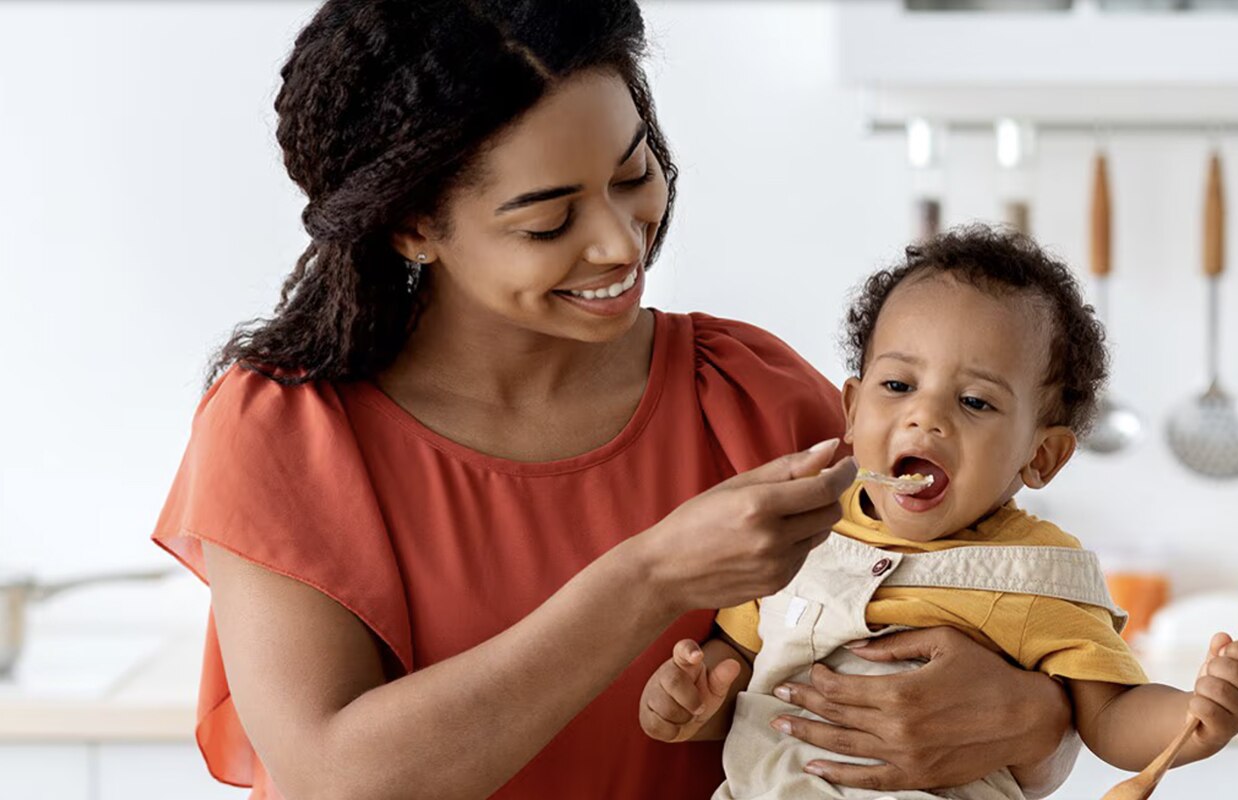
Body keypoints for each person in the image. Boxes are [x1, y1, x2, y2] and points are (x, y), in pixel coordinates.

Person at [150, 3, 1081, 798]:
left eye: (634, 176)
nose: (619, 244)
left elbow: (1010, 649)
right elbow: (332, 774)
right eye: (550, 219)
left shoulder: (748, 396)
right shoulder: (289, 431)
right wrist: (652, 578)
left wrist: (1033, 715)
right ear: (412, 224)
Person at [639, 227, 1238, 800]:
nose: (926, 417)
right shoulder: (797, 532)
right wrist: (688, 702)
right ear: (852, 411)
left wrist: (1198, 717)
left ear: (1041, 455)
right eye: (898, 386)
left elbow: (1109, 719)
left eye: (974, 401)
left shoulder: (1040, 574)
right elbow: (733, 667)